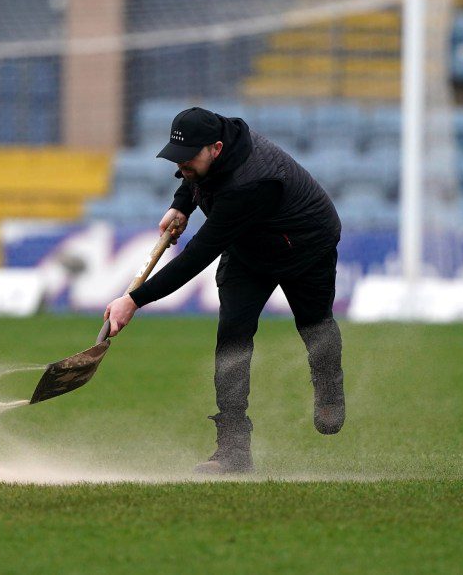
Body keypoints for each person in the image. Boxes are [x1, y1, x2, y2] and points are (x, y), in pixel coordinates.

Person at [104, 106, 345, 474]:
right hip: (248, 248)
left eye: (188, 159)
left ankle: (328, 386)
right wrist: (180, 204)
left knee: (314, 325)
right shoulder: (214, 151)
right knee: (232, 339)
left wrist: (134, 300)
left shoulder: (252, 182)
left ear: (216, 148)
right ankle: (233, 450)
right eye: (177, 159)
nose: (182, 166)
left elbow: (198, 255)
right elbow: (196, 178)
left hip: (305, 246)